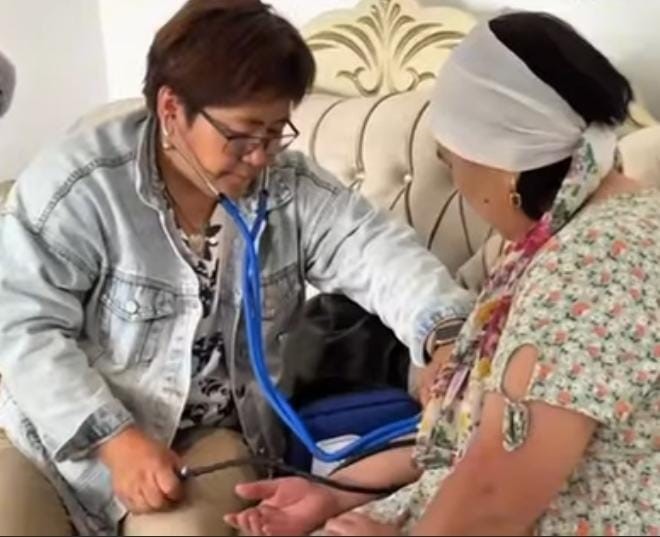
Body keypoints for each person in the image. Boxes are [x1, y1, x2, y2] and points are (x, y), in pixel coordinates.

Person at [0, 0, 473, 535]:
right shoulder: (76, 187)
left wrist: (446, 338)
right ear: (172, 108)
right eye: (243, 134)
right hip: (55, 440)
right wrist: (116, 440)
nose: (261, 157)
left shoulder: (291, 190)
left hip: (203, 440)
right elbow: (24, 329)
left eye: (275, 133)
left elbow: (382, 256)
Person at [227, 12, 660, 537]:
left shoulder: (587, 269)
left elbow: (495, 496)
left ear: (504, 167)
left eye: (450, 160)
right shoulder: (610, 228)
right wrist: (334, 493)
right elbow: (472, 445)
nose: (456, 181)